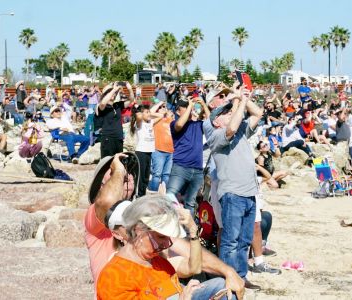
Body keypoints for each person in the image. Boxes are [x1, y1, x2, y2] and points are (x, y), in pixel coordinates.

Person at [85, 153, 245, 300]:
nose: (125, 179)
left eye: (128, 177)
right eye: (117, 178)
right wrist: (118, 170)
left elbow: (190, 262)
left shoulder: (155, 257)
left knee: (223, 287)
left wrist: (228, 270)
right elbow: (105, 202)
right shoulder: (98, 230)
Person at [97, 195, 230, 300]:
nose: (167, 244)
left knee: (223, 286)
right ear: (138, 229)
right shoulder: (114, 277)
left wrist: (193, 231)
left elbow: (168, 293)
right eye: (161, 237)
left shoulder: (158, 262)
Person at [206, 87, 264, 287]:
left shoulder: (240, 129)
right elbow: (230, 129)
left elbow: (258, 113)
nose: (230, 113)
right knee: (231, 241)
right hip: (232, 193)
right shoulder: (216, 135)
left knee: (244, 240)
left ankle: (241, 277)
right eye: (225, 113)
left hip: (249, 192)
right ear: (216, 120)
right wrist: (237, 103)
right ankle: (227, 279)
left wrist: (244, 98)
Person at [167, 97, 210, 217]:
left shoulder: (197, 124)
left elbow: (211, 123)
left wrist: (203, 105)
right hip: (180, 167)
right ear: (177, 112)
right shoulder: (174, 123)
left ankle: (188, 232)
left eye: (189, 107)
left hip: (197, 170)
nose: (188, 109)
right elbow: (180, 124)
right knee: (170, 197)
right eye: (184, 107)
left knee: (190, 203)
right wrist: (191, 105)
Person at [95, 82, 135, 158]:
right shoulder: (102, 106)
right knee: (107, 163)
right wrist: (114, 90)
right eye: (110, 93)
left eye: (115, 93)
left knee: (119, 162)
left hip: (118, 137)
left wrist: (129, 89)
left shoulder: (117, 105)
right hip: (108, 138)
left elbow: (131, 100)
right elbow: (103, 103)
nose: (113, 94)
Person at [148, 102, 174, 192]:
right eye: (161, 107)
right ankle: (153, 194)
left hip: (171, 151)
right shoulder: (155, 119)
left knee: (166, 174)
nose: (164, 108)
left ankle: (164, 194)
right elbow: (149, 112)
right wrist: (159, 103)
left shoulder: (170, 119)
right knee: (157, 174)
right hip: (158, 150)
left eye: (165, 107)